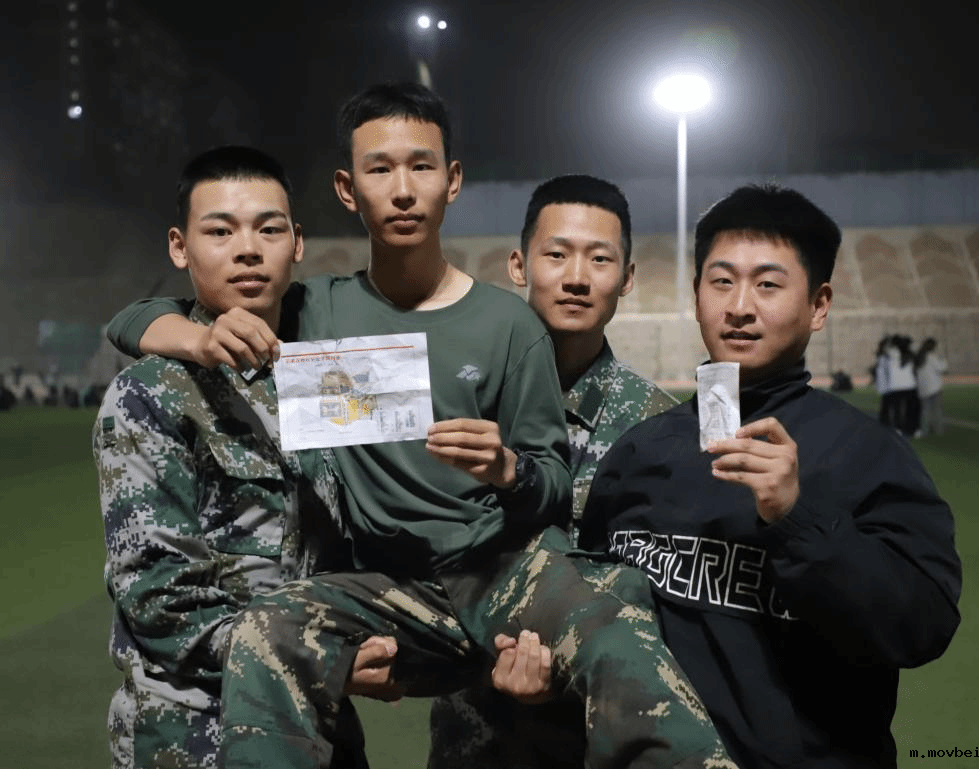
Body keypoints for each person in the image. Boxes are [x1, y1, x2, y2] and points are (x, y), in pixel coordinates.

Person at [105, 83, 732, 769]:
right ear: (347, 189)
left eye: (421, 166)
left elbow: (556, 486)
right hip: (395, 594)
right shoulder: (316, 313)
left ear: (452, 179)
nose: (402, 190)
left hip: (501, 570)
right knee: (269, 629)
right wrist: (193, 339)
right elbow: (138, 317)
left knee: (620, 630)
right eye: (380, 169)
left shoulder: (515, 327)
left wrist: (509, 470)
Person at [577, 184, 962, 768]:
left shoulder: (868, 456)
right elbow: (593, 612)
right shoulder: (640, 451)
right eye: (721, 281)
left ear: (819, 305)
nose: (739, 307)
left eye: (768, 285)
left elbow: (921, 626)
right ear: (698, 294)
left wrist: (797, 518)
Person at [94, 146, 380, 769]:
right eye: (220, 231)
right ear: (180, 247)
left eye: (268, 229)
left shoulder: (330, 376)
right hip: (197, 735)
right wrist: (320, 658)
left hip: (322, 728)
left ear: (297, 243)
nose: (247, 250)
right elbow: (161, 600)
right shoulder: (153, 393)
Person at [429, 174, 679, 769]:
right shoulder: (455, 401)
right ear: (519, 265)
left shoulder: (661, 429)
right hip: (474, 739)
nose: (576, 277)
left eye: (600, 259)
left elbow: (665, 594)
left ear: (628, 277)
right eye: (557, 254)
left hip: (598, 737)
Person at [915, 337, 947, 436]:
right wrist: (943, 359)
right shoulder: (932, 357)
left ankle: (924, 430)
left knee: (925, 411)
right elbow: (942, 368)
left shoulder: (919, 357)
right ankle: (938, 429)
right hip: (934, 388)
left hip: (922, 388)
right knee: (937, 410)